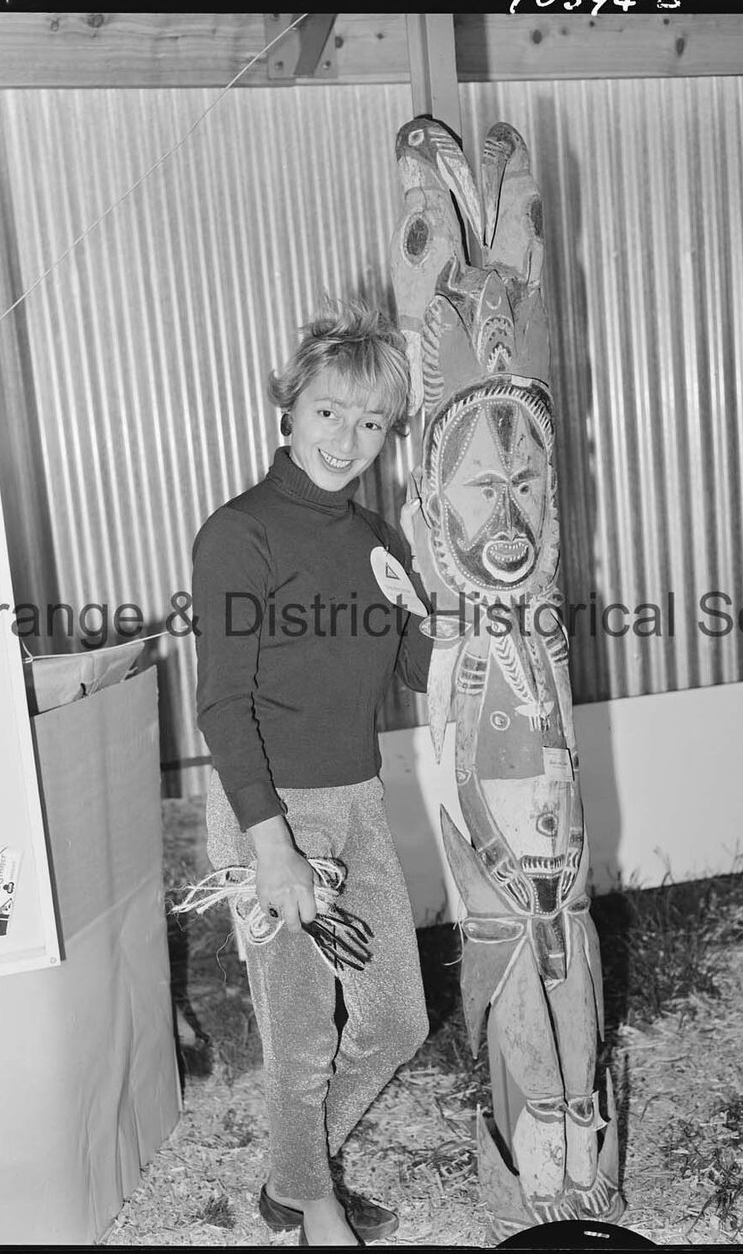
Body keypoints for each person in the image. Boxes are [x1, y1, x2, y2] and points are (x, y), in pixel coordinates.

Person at [191, 298, 432, 1247]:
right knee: (300, 1038)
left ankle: (294, 1175)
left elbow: (418, 666)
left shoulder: (381, 541)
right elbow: (222, 706)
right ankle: (314, 1210)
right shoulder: (239, 534)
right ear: (288, 407)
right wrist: (272, 849)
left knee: (398, 1020)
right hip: (270, 812)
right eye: (329, 411)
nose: (346, 439)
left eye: (371, 423)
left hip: (358, 801)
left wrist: (470, 600)